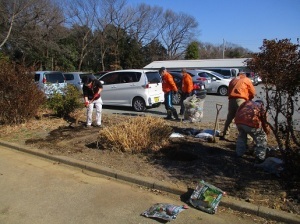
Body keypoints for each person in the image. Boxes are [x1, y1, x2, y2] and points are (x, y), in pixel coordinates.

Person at [220, 71, 256, 140]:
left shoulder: (233, 80)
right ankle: (247, 137)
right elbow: (252, 92)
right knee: (244, 118)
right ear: (244, 75)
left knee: (230, 118)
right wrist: (249, 99)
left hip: (231, 100)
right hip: (241, 100)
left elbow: (229, 91)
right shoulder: (246, 80)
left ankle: (225, 134)